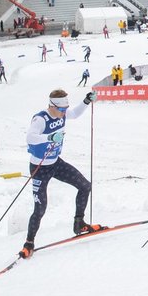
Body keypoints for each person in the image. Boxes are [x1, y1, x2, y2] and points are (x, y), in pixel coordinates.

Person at [17, 89, 103, 259]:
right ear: (52, 105)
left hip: (56, 163)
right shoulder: (40, 119)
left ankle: (79, 223)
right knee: (40, 208)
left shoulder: (62, 114)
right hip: (39, 168)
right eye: (61, 110)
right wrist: (50, 138)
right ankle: (29, 243)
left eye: (65, 110)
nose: (64, 113)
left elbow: (75, 114)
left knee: (85, 186)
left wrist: (86, 101)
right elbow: (30, 138)